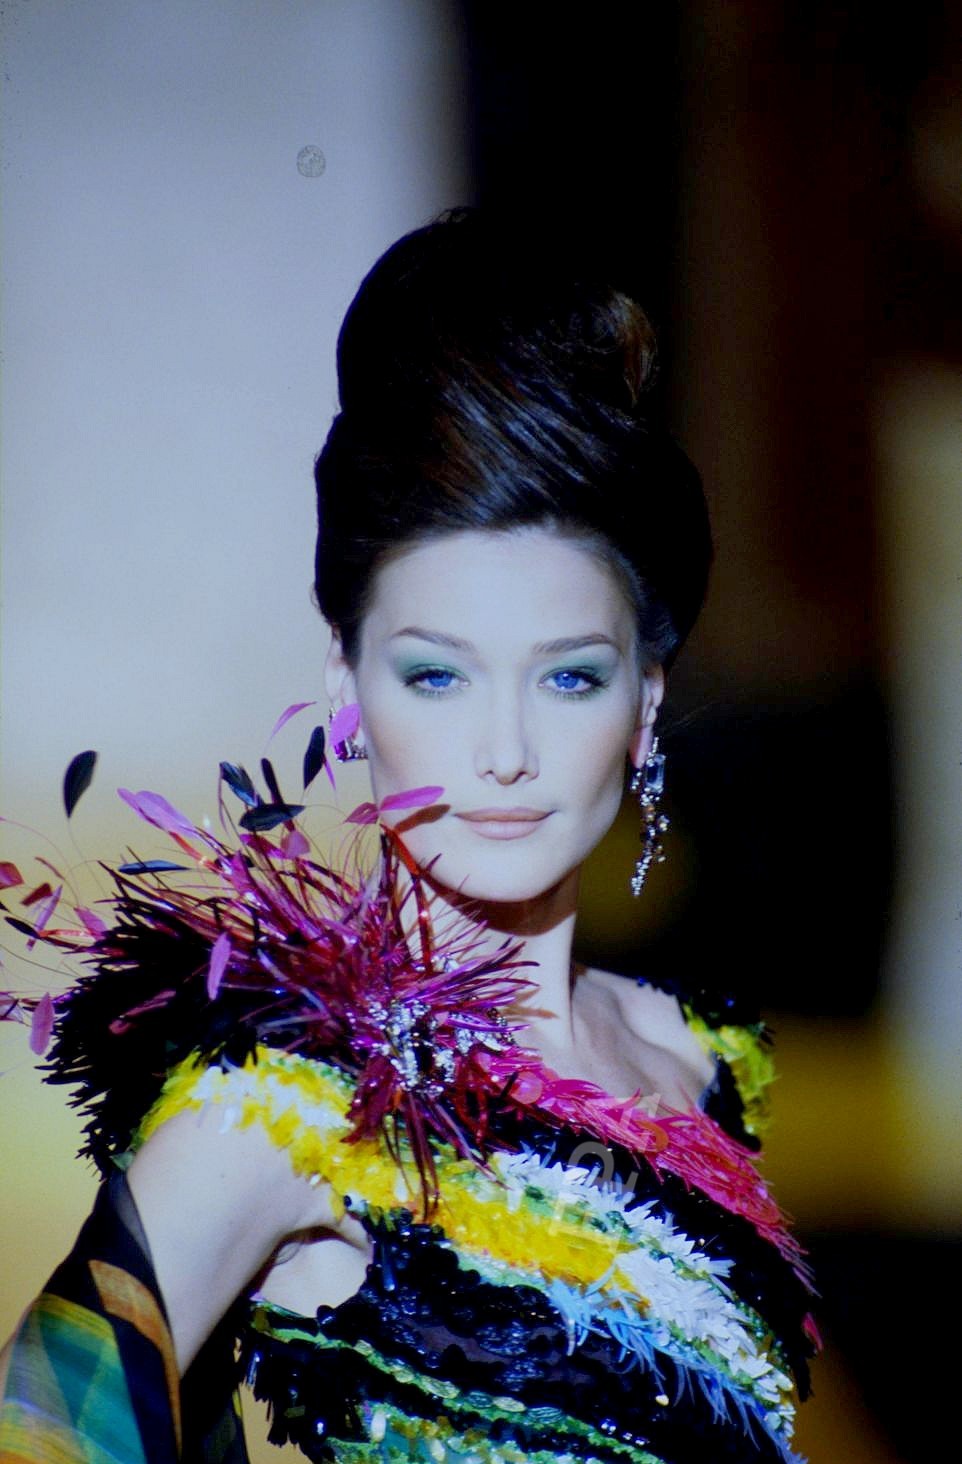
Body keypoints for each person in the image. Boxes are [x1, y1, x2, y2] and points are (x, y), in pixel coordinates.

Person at [0, 209, 818, 1464]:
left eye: (571, 677)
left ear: (647, 701)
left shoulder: (694, 1058)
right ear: (347, 682)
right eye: (437, 675)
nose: (505, 749)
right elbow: (48, 1430)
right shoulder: (291, 1107)